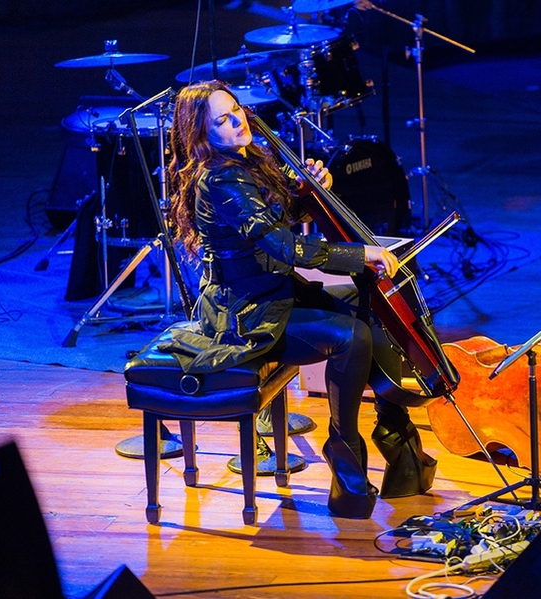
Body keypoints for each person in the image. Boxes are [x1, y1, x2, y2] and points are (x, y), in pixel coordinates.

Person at [165, 80, 436, 519]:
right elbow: (285, 248)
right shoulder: (220, 181)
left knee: (364, 301)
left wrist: (310, 195)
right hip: (246, 315)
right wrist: (361, 254)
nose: (238, 121)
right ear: (201, 135)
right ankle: (345, 455)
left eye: (237, 110)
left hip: (273, 294)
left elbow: (275, 225)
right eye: (223, 120)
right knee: (352, 337)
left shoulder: (245, 161)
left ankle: (398, 440)